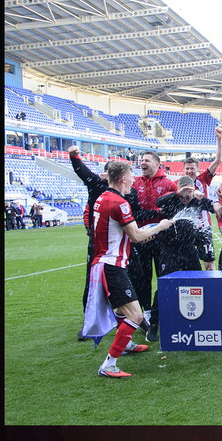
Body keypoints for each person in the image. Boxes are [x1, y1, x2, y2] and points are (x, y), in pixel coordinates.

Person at [82, 160, 173, 378]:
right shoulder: (119, 202)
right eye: (131, 176)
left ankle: (126, 343)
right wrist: (160, 226)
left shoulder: (103, 197)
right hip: (112, 265)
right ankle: (109, 364)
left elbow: (122, 231)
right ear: (123, 179)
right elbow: (137, 236)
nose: (134, 181)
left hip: (106, 262)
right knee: (136, 315)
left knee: (123, 310)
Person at [148, 176, 218, 341]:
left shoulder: (196, 201)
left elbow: (213, 208)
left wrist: (203, 197)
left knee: (197, 283)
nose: (186, 196)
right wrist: (178, 192)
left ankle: (197, 318)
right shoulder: (171, 201)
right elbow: (158, 202)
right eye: (183, 192)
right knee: (164, 286)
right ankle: (154, 323)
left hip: (189, 249)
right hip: (169, 250)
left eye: (189, 192)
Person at [131, 151, 177, 324]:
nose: (142, 162)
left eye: (147, 160)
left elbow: (173, 209)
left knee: (163, 275)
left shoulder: (168, 184)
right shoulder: (135, 183)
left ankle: (163, 308)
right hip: (141, 238)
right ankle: (147, 310)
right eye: (141, 160)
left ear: (157, 164)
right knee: (142, 277)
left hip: (162, 239)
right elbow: (133, 210)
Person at [181, 126, 222, 270]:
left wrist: (219, 139)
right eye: (187, 168)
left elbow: (218, 160)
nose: (189, 171)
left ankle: (210, 283)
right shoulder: (178, 184)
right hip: (186, 228)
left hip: (203, 227)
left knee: (209, 264)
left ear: (197, 169)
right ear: (183, 170)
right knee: (188, 265)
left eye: (192, 168)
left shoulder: (203, 179)